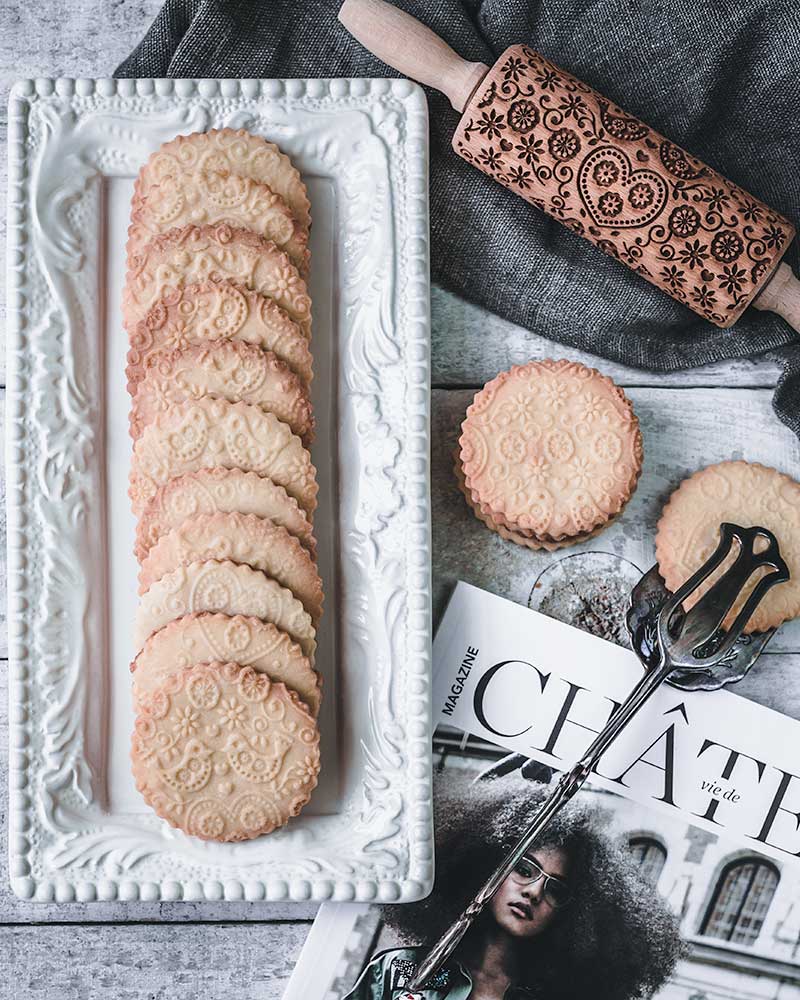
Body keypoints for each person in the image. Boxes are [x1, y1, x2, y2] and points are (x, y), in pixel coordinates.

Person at [343, 772, 682, 1000]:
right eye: (524, 869)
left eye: (556, 890)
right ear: (484, 864)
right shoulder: (401, 971)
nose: (534, 891)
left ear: (577, 918)